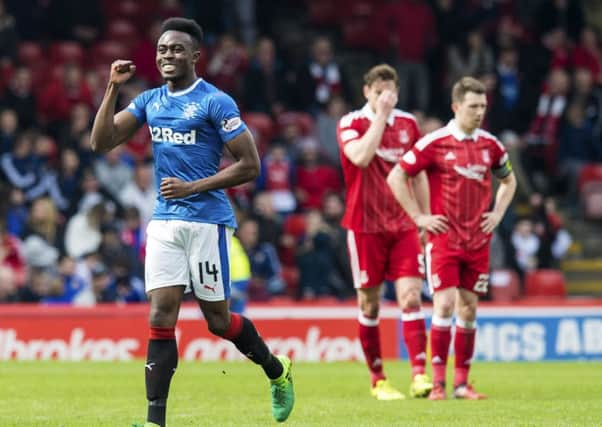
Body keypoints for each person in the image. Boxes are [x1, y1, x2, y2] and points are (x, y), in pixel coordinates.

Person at [89, 17, 294, 427]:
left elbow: (249, 164)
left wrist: (194, 186)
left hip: (207, 221)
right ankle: (154, 421)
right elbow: (101, 141)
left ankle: (276, 370)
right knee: (160, 315)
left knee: (218, 321)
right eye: (163, 49)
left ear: (196, 56)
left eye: (177, 49)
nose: (168, 56)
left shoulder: (216, 102)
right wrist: (112, 87)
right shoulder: (149, 101)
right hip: (165, 221)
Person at [387, 76, 517, 400]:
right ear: (456, 106)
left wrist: (498, 214)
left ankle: (462, 383)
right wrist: (419, 217)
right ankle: (439, 383)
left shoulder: (491, 145)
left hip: (478, 241)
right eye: (473, 106)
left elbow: (509, 180)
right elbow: (397, 175)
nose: (479, 112)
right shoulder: (435, 142)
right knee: (444, 304)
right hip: (444, 239)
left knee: (469, 309)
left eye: (483, 106)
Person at [336, 64, 432, 400]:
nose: (386, 98)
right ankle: (378, 379)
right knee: (371, 305)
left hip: (404, 224)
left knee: (410, 296)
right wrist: (381, 114)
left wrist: (424, 218)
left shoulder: (408, 125)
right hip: (365, 227)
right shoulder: (351, 123)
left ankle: (420, 375)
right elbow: (361, 157)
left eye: (390, 92)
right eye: (379, 93)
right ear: (367, 93)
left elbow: (418, 174)